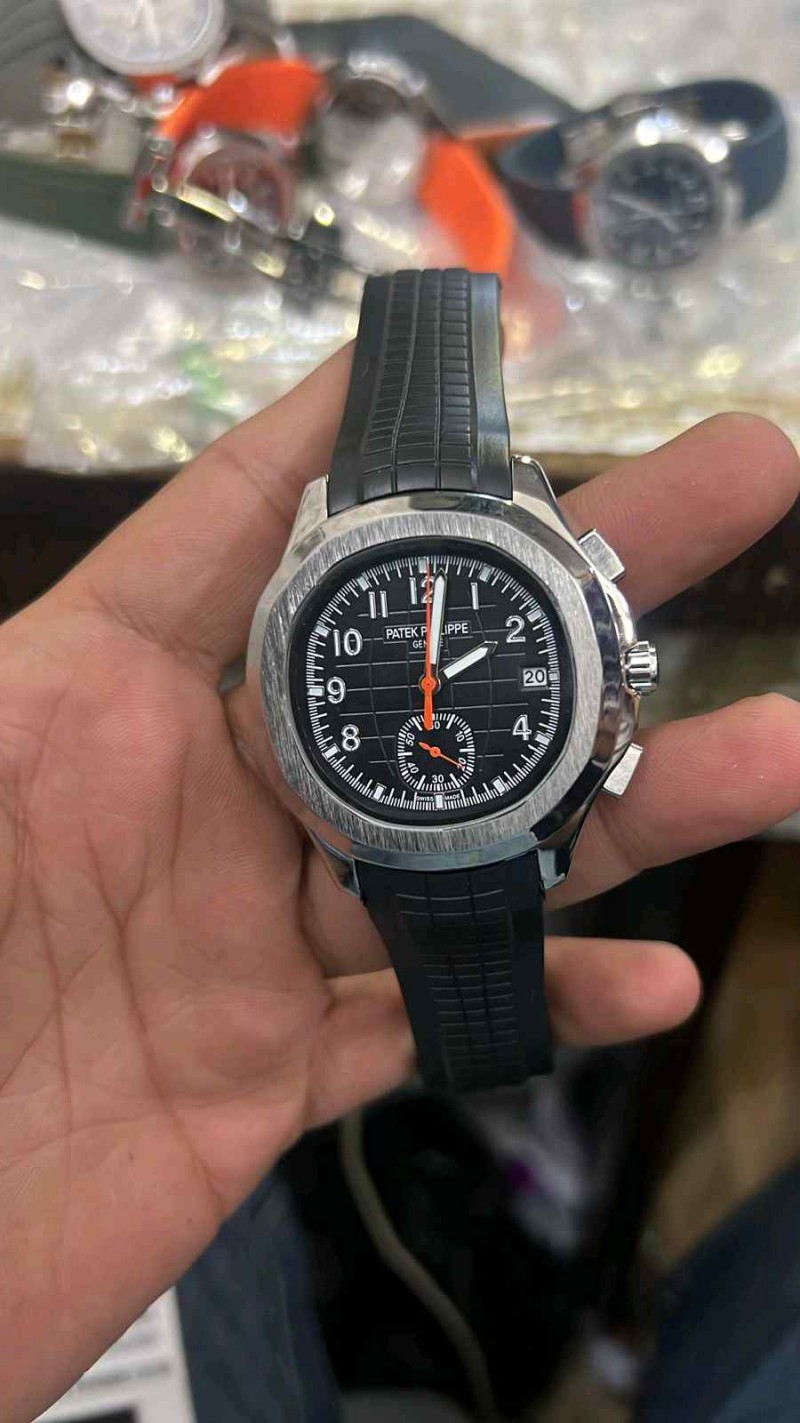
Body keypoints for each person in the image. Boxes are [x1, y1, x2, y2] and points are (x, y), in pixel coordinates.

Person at [2, 346, 799, 1423]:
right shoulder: (311, 753)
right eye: (419, 683)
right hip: (370, 829)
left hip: (478, 822)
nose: (426, 693)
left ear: (616, 666)